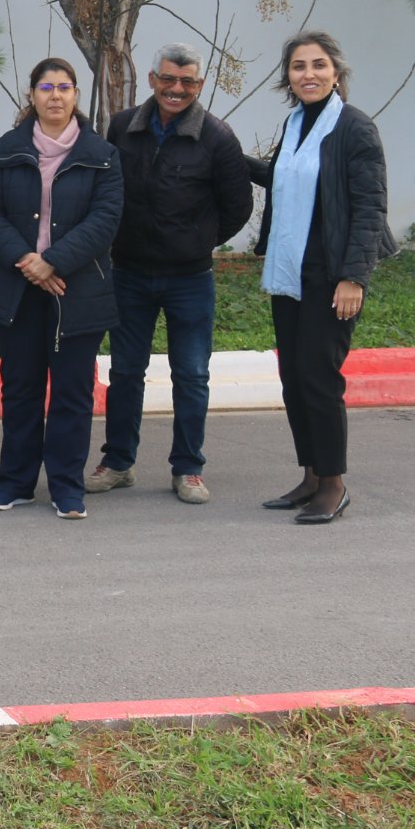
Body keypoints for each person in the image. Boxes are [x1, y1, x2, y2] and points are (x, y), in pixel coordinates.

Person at [87, 42, 256, 504]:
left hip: (190, 278)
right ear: (152, 80)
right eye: (168, 79)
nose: (176, 89)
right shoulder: (123, 127)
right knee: (125, 372)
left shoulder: (218, 138)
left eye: (187, 82)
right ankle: (119, 462)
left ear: (199, 86)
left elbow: (239, 206)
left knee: (191, 374)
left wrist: (196, 242)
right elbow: (106, 188)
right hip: (129, 274)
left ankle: (188, 468)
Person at [250, 31, 396, 526]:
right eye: (297, 66)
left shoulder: (354, 127)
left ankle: (334, 484)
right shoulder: (294, 125)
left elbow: (370, 207)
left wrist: (354, 276)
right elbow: (283, 180)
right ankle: (311, 475)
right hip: (291, 274)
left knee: (319, 377)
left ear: (336, 71)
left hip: (333, 276)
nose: (307, 73)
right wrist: (225, 157)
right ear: (287, 77)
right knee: (294, 378)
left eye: (317, 64)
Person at [0, 58, 122, 519]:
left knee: (73, 393)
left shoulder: (102, 154)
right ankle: (15, 482)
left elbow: (106, 219)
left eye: (64, 87)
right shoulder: (5, 150)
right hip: (17, 287)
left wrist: (53, 261)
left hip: (77, 291)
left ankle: (66, 487)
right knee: (20, 389)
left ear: (76, 95)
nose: (54, 96)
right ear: (31, 95)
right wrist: (27, 262)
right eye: (45, 87)